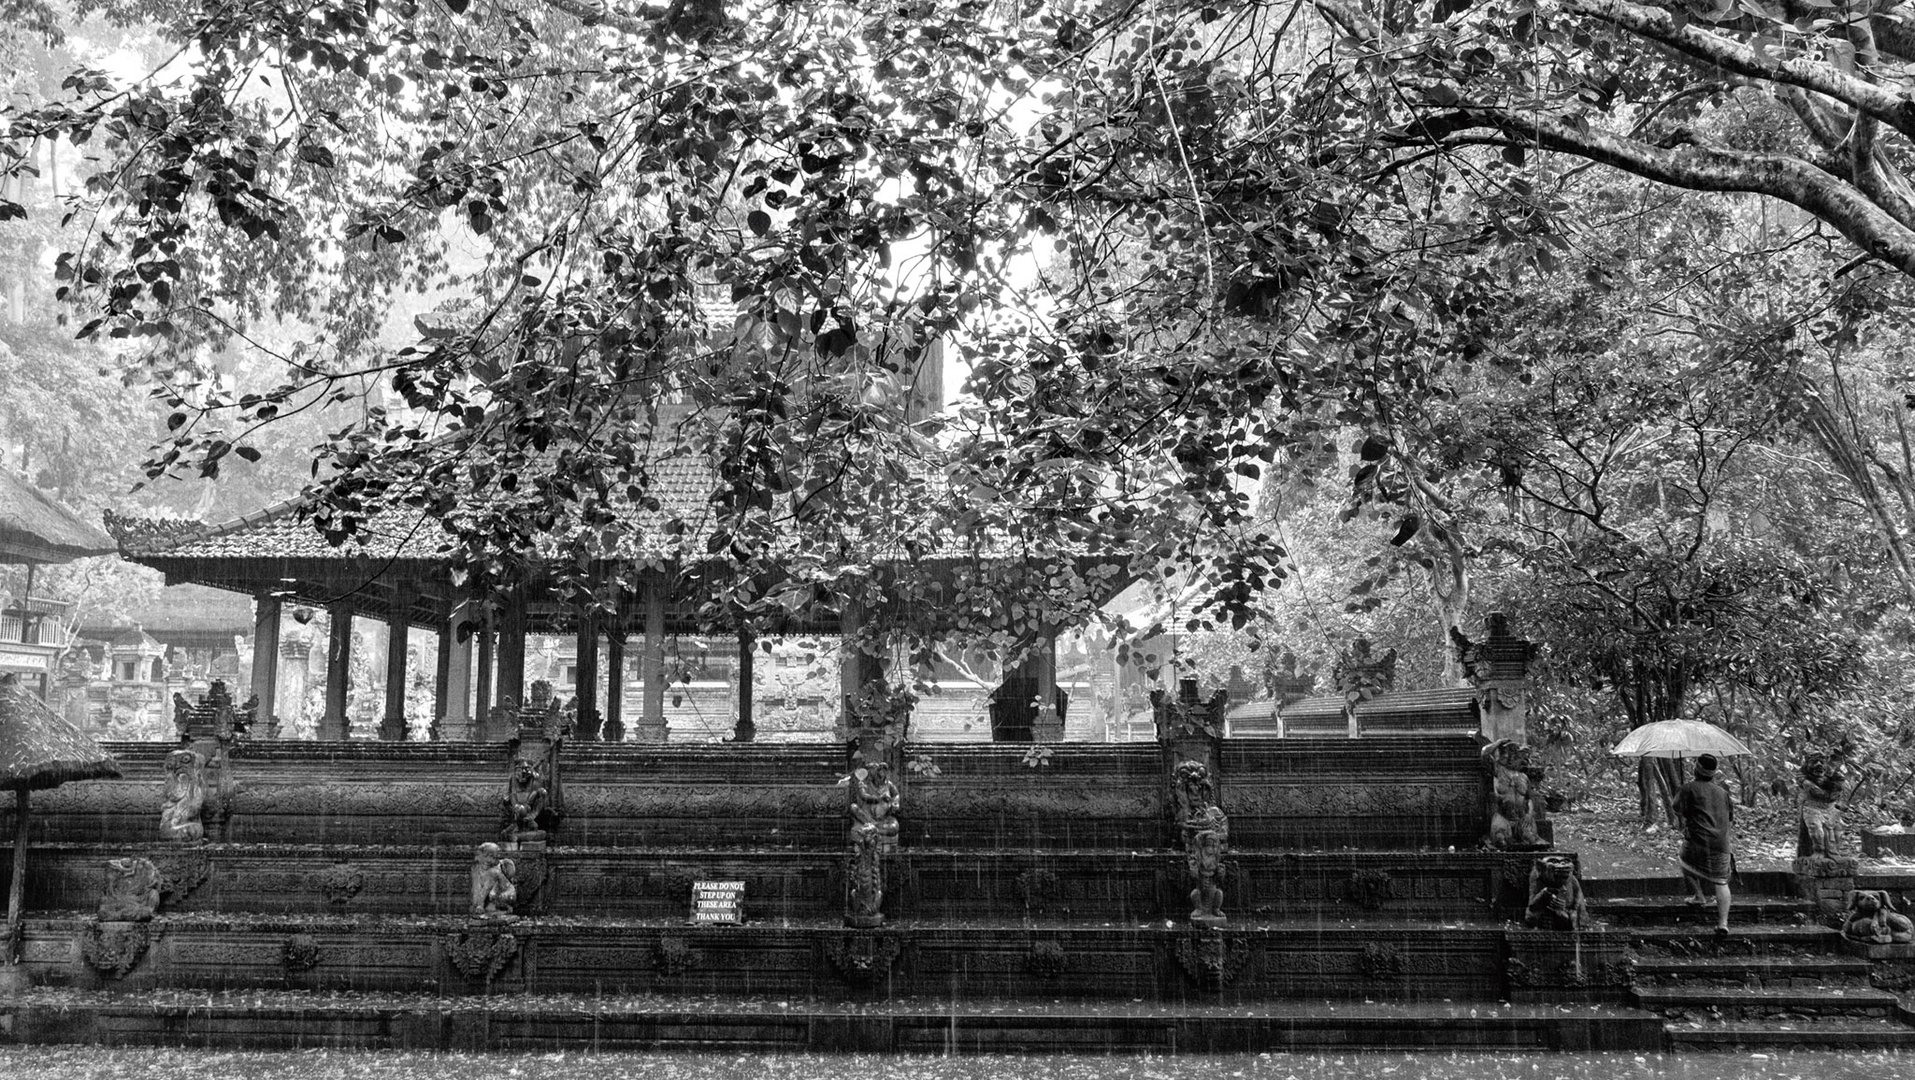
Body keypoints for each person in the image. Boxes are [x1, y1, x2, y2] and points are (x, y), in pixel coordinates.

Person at [1674, 753, 1735, 939]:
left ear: (1696, 768)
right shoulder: (1723, 793)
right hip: (1721, 844)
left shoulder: (1688, 788)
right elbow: (1730, 817)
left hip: (1697, 842)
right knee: (1721, 881)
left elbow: (1677, 808)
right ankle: (1723, 923)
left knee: (1684, 861)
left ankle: (1699, 895)